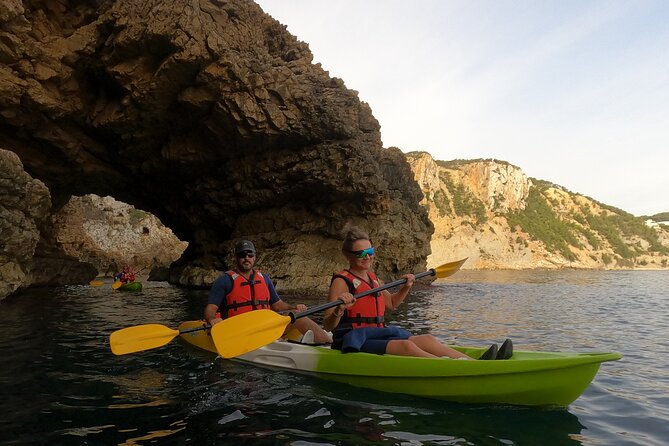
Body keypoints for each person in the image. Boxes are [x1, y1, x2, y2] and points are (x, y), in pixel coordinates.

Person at [323, 225, 513, 360]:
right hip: (352, 339)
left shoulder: (373, 279)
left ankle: (475, 363)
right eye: (361, 254)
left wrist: (406, 287)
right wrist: (339, 310)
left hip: (376, 333)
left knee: (427, 339)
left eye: (370, 251)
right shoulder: (342, 281)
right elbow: (329, 325)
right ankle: (455, 368)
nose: (368, 257)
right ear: (348, 256)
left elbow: (392, 304)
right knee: (406, 345)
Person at [205, 240, 345, 344]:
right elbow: (210, 309)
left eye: (250, 254)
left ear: (254, 257)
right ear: (236, 258)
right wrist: (212, 319)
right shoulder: (224, 281)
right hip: (241, 331)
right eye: (242, 255)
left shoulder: (264, 278)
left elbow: (277, 305)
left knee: (298, 316)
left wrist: (293, 307)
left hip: (265, 327)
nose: (246, 258)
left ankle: (328, 345)